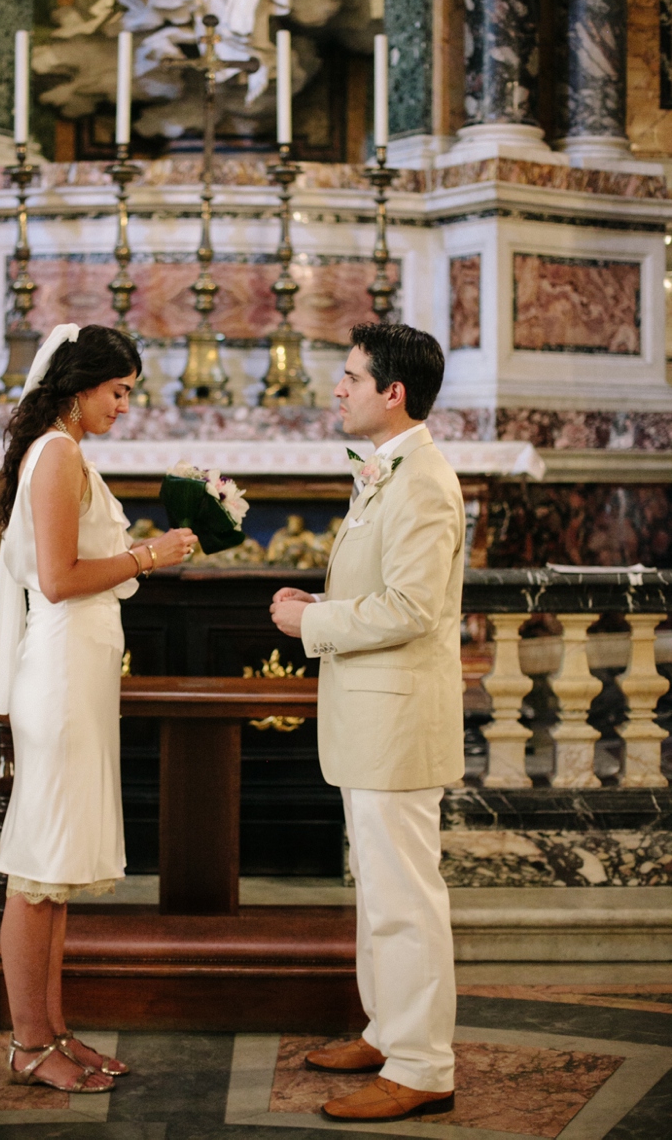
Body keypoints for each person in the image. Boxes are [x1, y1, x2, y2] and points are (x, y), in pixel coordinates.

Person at [0, 324, 195, 1094]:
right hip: (61, 673)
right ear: (80, 386)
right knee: (37, 866)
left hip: (80, 670)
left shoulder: (64, 451)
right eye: (119, 391)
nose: (125, 405)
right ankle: (27, 1043)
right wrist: (150, 555)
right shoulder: (58, 451)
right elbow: (60, 575)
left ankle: (54, 1029)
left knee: (56, 868)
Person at [270, 322, 464, 1123]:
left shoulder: (421, 479)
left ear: (394, 391)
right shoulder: (388, 471)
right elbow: (382, 591)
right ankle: (388, 1031)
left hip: (398, 724)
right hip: (370, 720)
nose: (337, 388)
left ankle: (422, 1065)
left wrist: (311, 627)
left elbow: (412, 609)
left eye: (351, 376)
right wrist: (327, 605)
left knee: (405, 900)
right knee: (379, 893)